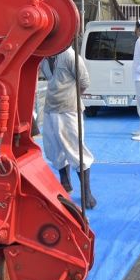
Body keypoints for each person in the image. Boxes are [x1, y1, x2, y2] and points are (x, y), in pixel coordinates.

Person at [41, 45, 97, 209]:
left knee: (75, 150)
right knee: (54, 149)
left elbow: (84, 82)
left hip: (69, 110)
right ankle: (65, 184)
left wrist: (71, 98)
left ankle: (86, 192)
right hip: (50, 109)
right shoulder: (44, 57)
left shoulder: (69, 56)